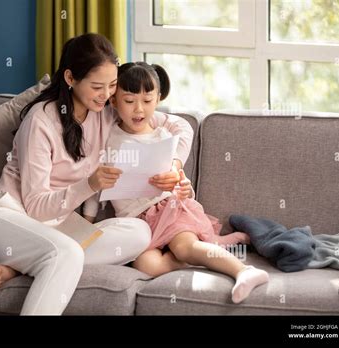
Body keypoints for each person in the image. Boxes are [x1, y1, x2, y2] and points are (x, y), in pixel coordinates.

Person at [0, 33, 194, 315]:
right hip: (7, 219)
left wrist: (175, 164)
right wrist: (88, 184)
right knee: (67, 253)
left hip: (59, 230)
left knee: (139, 232)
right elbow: (36, 208)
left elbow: (181, 126)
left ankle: (20, 265)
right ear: (70, 78)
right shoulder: (41, 120)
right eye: (97, 86)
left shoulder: (106, 111)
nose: (107, 95)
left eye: (112, 85)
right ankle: (30, 259)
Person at [84, 62, 269, 304]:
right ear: (114, 101)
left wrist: (183, 186)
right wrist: (86, 223)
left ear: (158, 99)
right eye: (129, 101)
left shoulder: (163, 137)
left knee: (184, 247)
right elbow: (93, 185)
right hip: (136, 223)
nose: (138, 109)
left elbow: (181, 184)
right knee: (147, 265)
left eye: (147, 101)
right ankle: (217, 245)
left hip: (168, 211)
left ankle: (243, 271)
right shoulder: (107, 138)